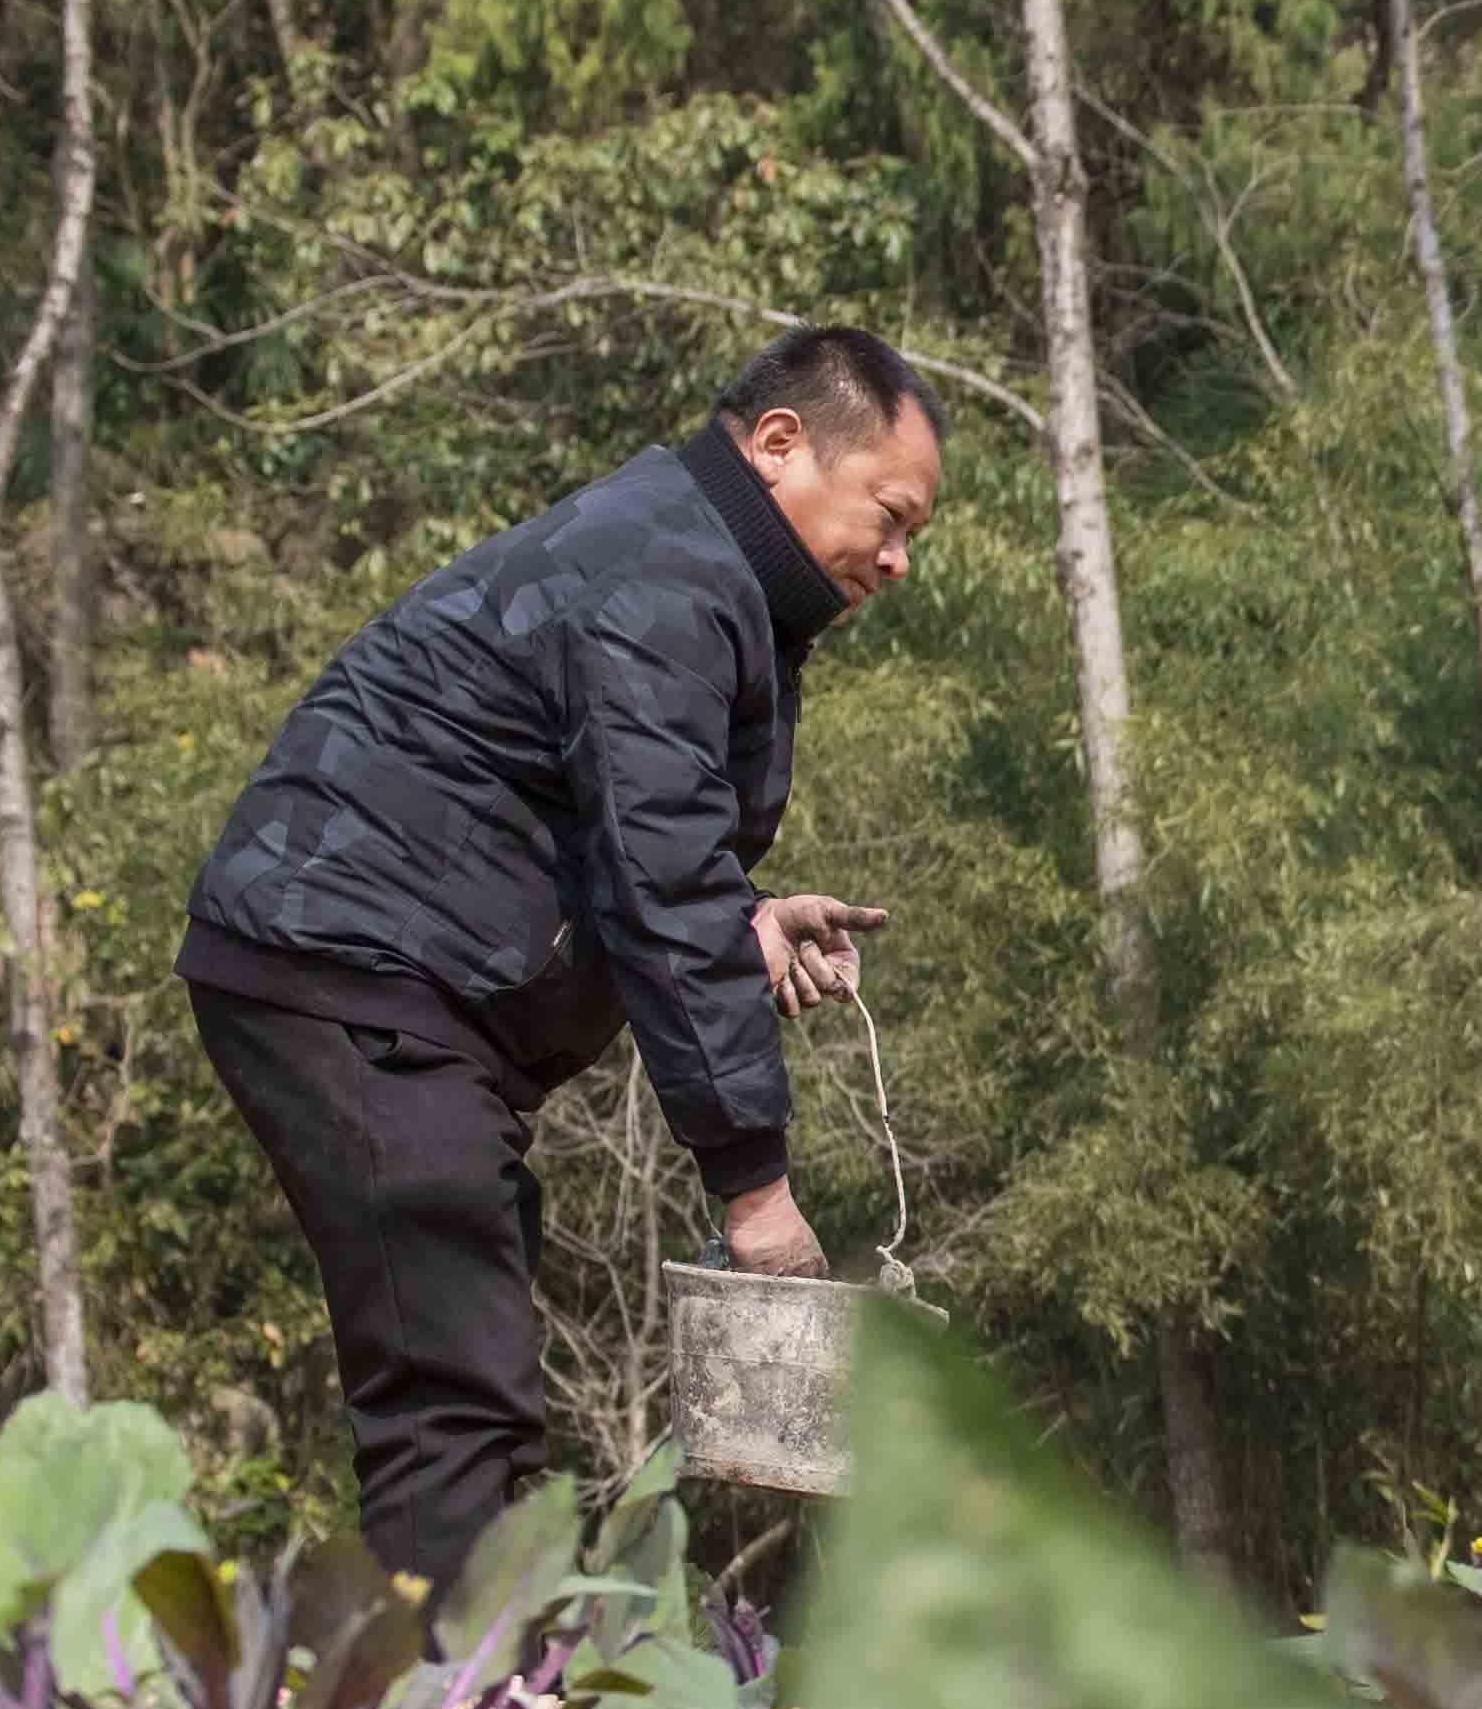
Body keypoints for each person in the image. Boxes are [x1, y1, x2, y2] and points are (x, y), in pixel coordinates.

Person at [178, 325, 931, 1586]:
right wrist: (754, 1191)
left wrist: (741, 918)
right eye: (892, 516)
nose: (901, 560)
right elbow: (658, 871)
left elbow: (624, 836)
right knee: (452, 1404)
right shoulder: (663, 573)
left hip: (381, 975)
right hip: (351, 972)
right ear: (783, 445)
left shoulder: (691, 567)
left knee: (466, 1391)